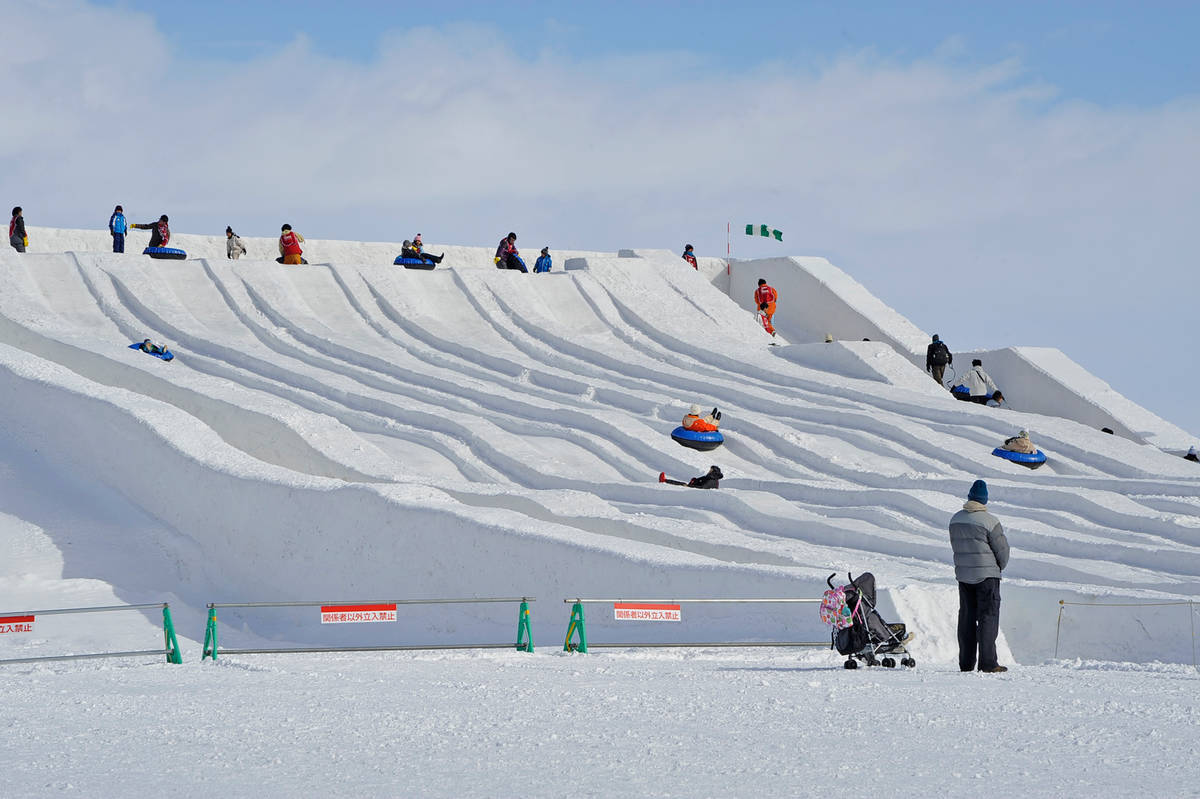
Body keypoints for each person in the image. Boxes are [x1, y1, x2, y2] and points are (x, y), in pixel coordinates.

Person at [949, 479, 1010, 673]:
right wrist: (998, 567)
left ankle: (966, 664)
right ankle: (988, 663)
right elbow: (1002, 551)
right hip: (987, 577)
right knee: (988, 617)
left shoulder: (955, 519)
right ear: (984, 500)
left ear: (969, 497)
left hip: (964, 575)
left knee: (966, 618)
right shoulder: (990, 521)